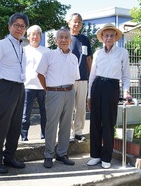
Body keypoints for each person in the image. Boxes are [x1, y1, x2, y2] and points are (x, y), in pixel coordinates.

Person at [0, 13, 29, 174]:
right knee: (3, 126)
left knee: (15, 126)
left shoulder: (21, 47)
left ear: (25, 29)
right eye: (16, 25)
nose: (19, 28)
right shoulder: (2, 44)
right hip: (5, 87)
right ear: (9, 26)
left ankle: (9, 157)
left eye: (22, 26)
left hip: (19, 87)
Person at [87, 23, 132, 169]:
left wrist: (126, 91)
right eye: (106, 35)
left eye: (112, 35)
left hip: (112, 87)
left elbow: (126, 76)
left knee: (108, 123)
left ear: (116, 37)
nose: (109, 38)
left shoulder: (122, 53)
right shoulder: (97, 53)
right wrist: (89, 96)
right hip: (97, 86)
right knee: (94, 123)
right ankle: (95, 155)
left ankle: (106, 157)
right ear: (102, 37)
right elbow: (92, 75)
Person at [36, 28, 80, 168]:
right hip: (54, 92)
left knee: (66, 125)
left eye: (66, 37)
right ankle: (48, 155)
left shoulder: (74, 57)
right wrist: (48, 89)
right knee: (52, 125)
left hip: (70, 91)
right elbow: (40, 74)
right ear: (56, 40)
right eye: (60, 37)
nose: (64, 40)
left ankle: (62, 154)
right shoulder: (49, 55)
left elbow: (75, 78)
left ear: (70, 40)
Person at [21, 25, 50, 141]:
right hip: (27, 86)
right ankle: (24, 137)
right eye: (32, 34)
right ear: (28, 36)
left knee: (45, 113)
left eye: (37, 34)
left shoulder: (47, 51)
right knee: (25, 114)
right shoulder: (23, 50)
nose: (35, 36)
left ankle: (44, 136)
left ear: (40, 36)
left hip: (43, 86)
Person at [68, 13, 92, 141]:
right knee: (68, 108)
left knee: (81, 107)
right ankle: (69, 132)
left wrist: (91, 74)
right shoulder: (65, 37)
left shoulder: (85, 39)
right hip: (68, 79)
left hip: (83, 78)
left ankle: (78, 132)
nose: (77, 24)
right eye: (74, 21)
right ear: (69, 23)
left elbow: (88, 58)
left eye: (79, 22)